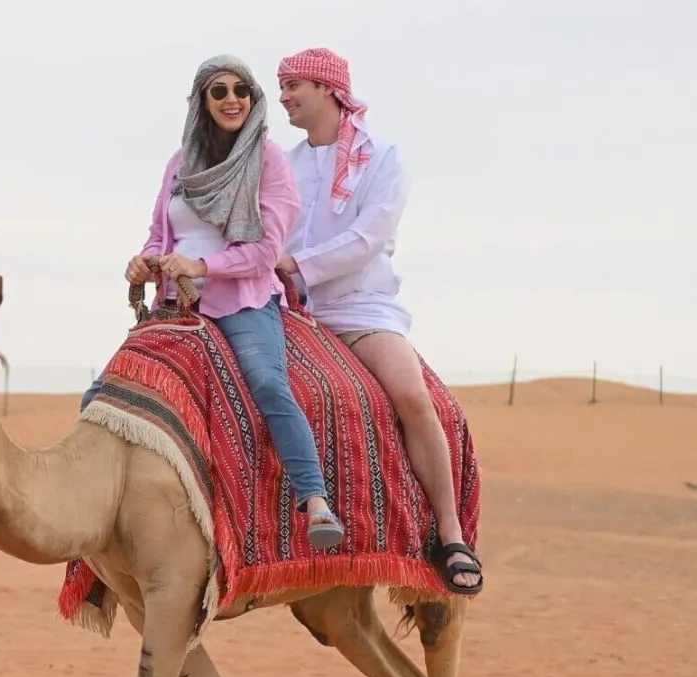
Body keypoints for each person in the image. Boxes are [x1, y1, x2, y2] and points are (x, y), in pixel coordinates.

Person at [274, 47, 481, 594]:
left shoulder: (384, 158)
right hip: (290, 308)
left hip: (360, 308)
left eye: (294, 85)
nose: (284, 97)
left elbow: (370, 237)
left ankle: (451, 532)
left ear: (327, 89)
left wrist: (297, 264)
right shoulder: (283, 164)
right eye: (281, 87)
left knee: (413, 398)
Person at [127, 54, 346, 551]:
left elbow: (268, 250)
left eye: (241, 90)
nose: (232, 100)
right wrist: (145, 262)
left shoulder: (268, 161)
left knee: (268, 383)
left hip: (243, 301)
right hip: (175, 305)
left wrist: (203, 268)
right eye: (219, 91)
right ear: (202, 102)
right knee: (108, 392)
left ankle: (314, 500)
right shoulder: (179, 164)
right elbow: (159, 237)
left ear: (253, 99)